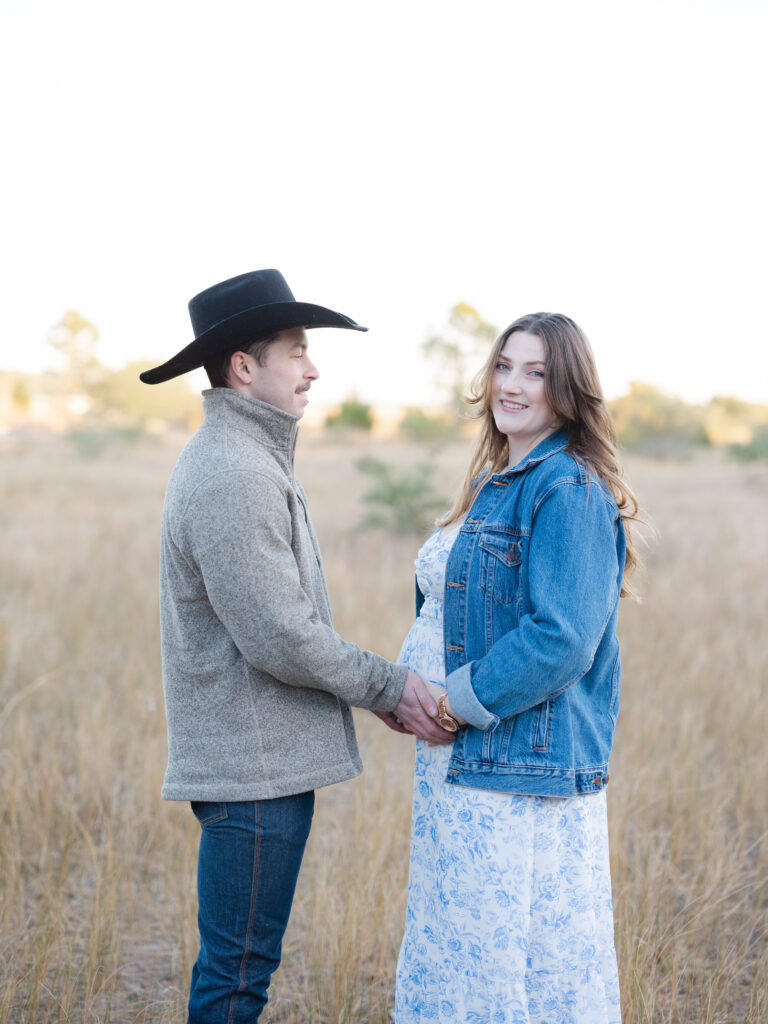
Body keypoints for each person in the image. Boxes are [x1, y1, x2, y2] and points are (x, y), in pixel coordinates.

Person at [139, 269, 453, 1024]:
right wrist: (386, 686)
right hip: (254, 775)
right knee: (237, 979)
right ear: (243, 367)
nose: (313, 369)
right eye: (297, 351)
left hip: (261, 767)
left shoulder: (247, 456)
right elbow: (278, 634)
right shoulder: (231, 471)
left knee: (240, 969)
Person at [394, 313, 640, 1023]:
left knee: (509, 957)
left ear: (567, 391)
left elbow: (562, 639)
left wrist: (449, 704)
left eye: (536, 372)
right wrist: (403, 688)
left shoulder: (568, 489)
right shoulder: (498, 479)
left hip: (509, 763)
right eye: (505, 366)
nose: (513, 385)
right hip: (462, 756)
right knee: (461, 945)